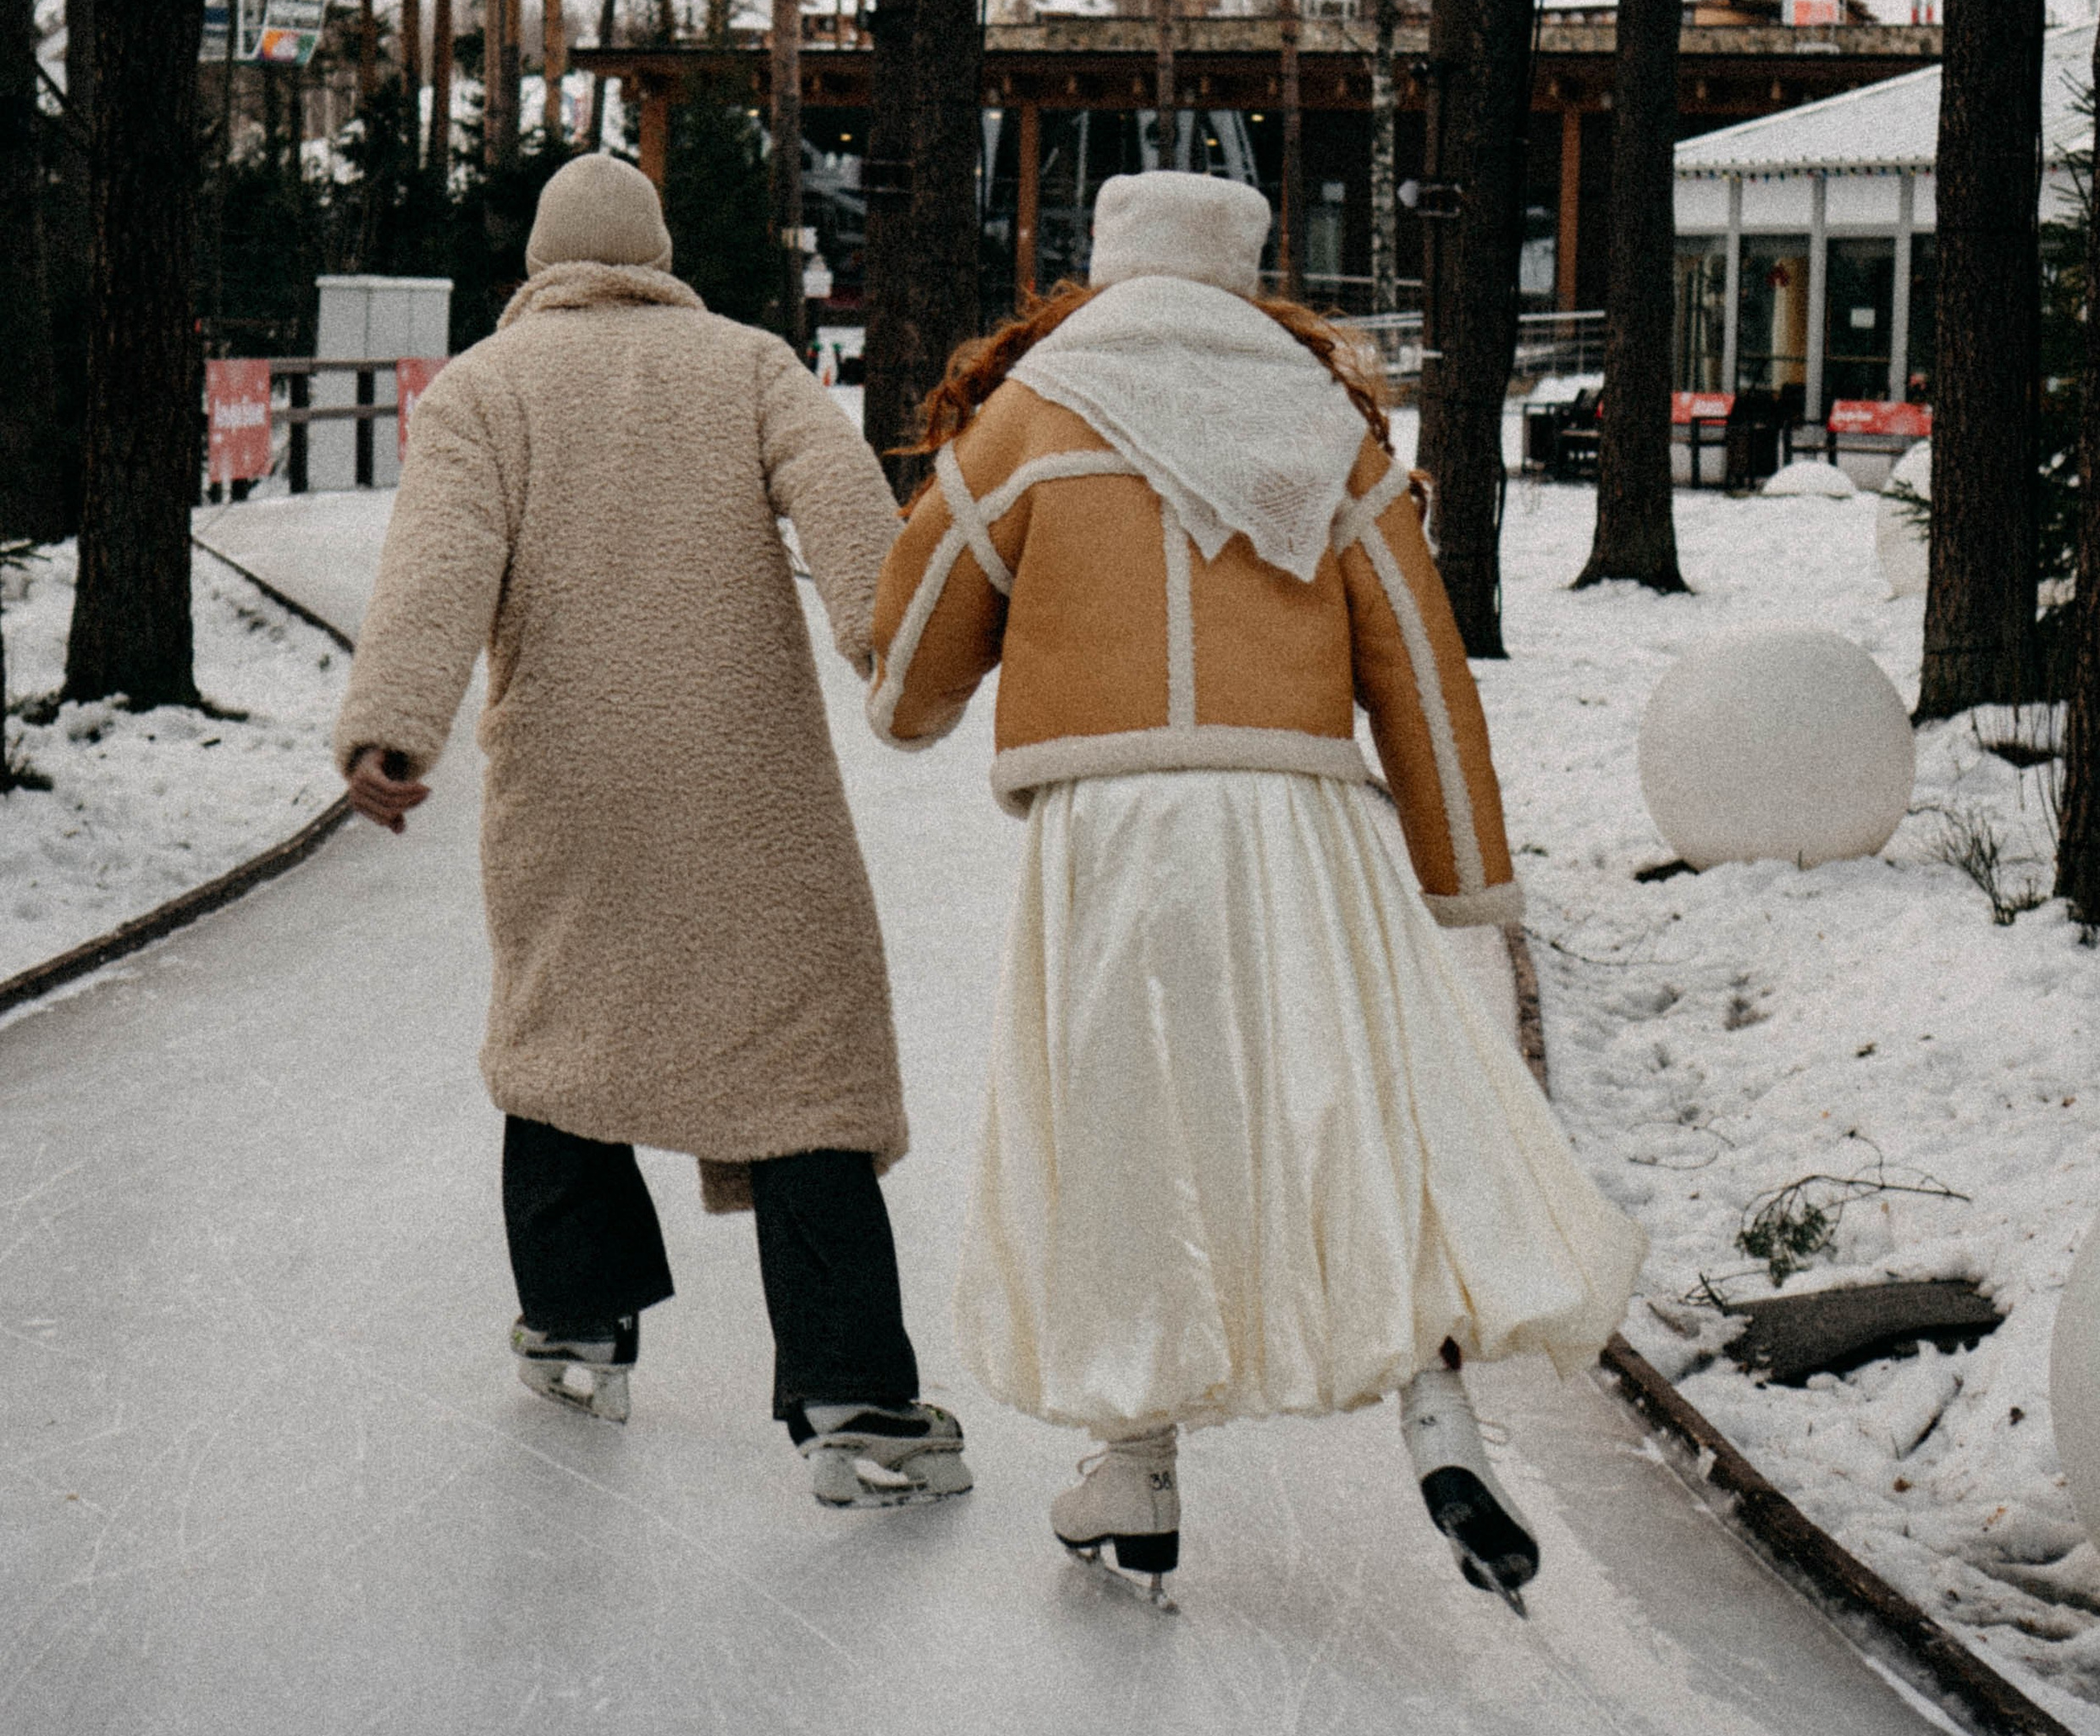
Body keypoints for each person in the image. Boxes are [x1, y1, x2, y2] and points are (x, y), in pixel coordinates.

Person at [868, 171, 1642, 1601]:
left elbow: (914, 637)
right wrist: (1468, 876)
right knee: (1347, 1112)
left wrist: (911, 712)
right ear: (1249, 273)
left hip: (1112, 829)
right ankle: (1438, 1423)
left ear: (1105, 268)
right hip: (1299, 816)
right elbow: (1418, 658)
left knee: (1123, 1136)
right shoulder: (1325, 432)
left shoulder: (1029, 420)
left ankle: (1139, 1468)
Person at [334, 152, 968, 1513]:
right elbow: (858, 523)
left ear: (540, 267)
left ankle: (575, 1330)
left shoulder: (488, 392)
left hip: (570, 783)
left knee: (566, 1033)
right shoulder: (750, 365)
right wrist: (899, 656)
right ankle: (855, 1395)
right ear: (662, 251)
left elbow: (439, 566)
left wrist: (393, 727)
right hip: (752, 781)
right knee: (807, 1059)